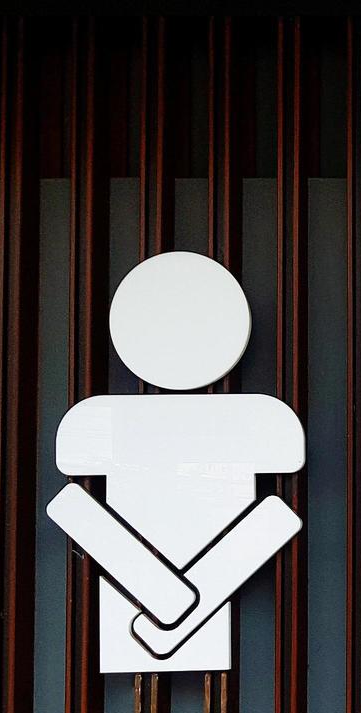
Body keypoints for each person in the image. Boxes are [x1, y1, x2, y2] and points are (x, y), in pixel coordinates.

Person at [50, 251, 304, 673]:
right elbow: (71, 493)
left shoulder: (260, 418)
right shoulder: (95, 421)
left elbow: (285, 465)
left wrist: (176, 596)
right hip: (145, 604)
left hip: (172, 603)